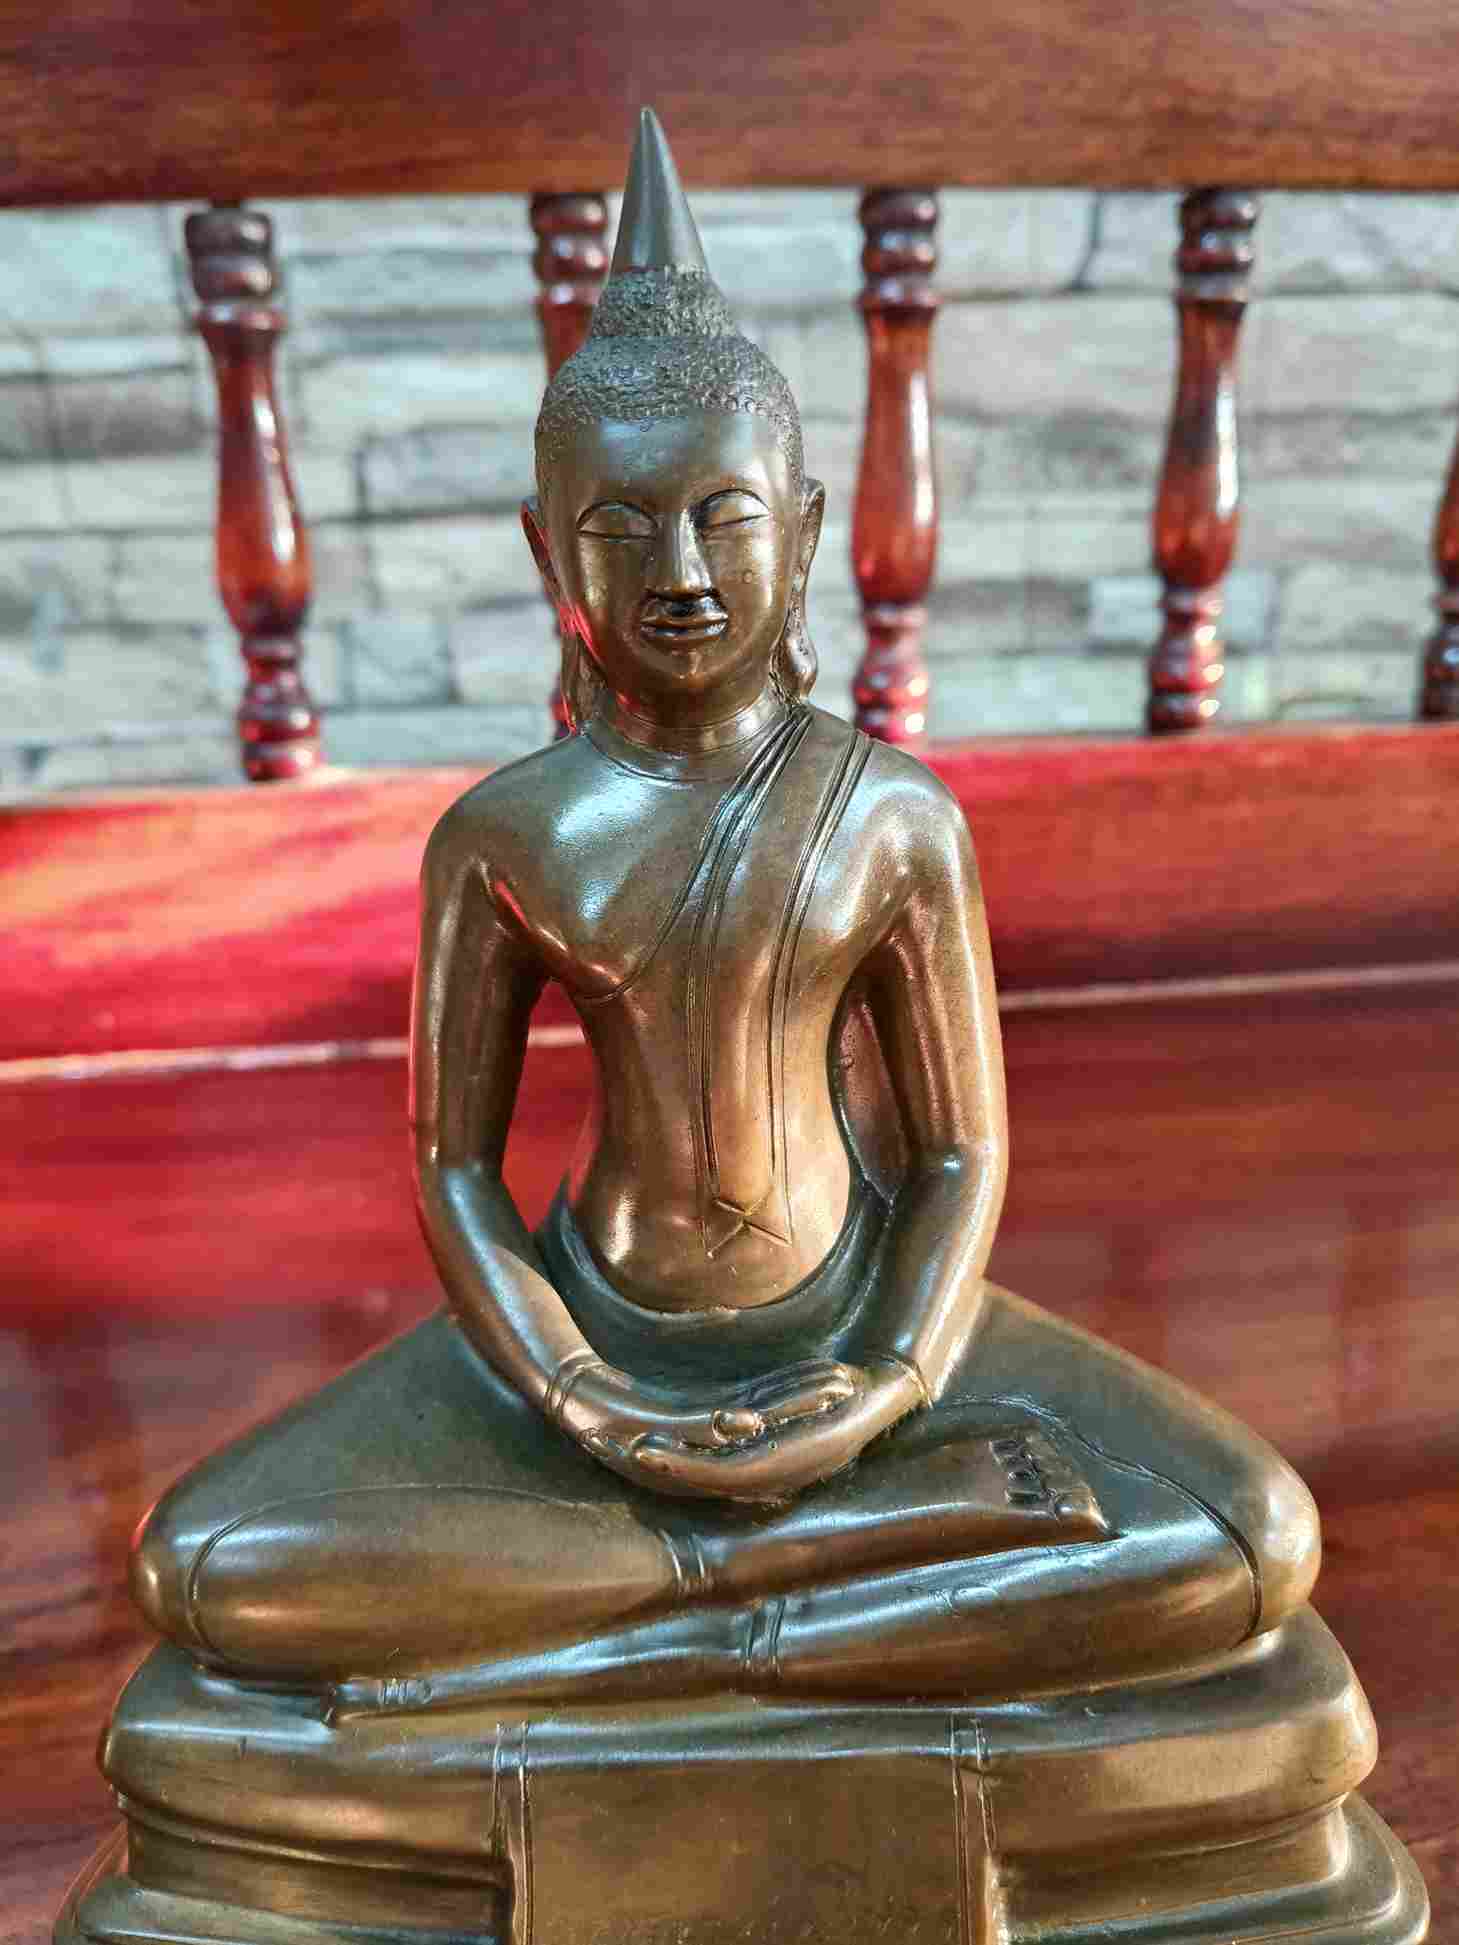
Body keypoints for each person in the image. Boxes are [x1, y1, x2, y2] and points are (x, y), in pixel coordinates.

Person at [130, 111, 1317, 1712]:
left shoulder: (892, 815)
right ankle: (774, 1594)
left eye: (726, 517)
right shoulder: (501, 837)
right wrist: (576, 1391)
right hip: (588, 1340)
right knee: (202, 1559)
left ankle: (658, 1629)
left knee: (1250, 1535)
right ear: (547, 552)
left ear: (806, 532)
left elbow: (959, 1154)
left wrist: (888, 1374)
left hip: (863, 1319)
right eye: (620, 529)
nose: (679, 572)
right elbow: (456, 1170)